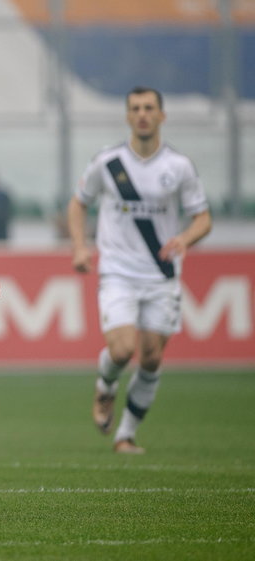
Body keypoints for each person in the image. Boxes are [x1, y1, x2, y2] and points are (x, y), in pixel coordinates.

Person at [66, 86, 211, 454]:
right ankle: (106, 387)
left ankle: (125, 436)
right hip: (118, 271)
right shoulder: (108, 162)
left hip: (162, 274)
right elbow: (78, 204)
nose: (142, 114)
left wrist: (185, 239)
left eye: (149, 108)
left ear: (162, 115)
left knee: (150, 357)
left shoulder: (178, 166)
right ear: (128, 116)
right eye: (136, 108)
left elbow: (203, 218)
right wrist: (81, 247)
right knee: (122, 349)